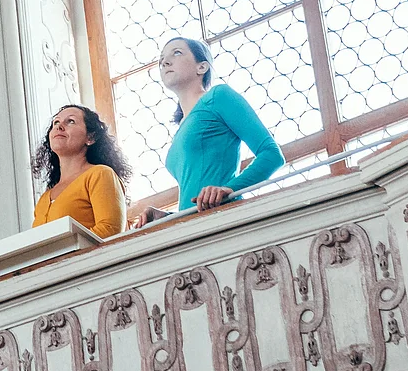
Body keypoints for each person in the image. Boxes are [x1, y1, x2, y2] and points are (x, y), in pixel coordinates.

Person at [129, 36, 283, 223]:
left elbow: (272, 155)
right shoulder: (181, 131)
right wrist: (167, 217)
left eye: (176, 53)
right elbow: (195, 201)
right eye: (161, 59)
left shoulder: (218, 97)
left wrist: (230, 189)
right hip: (192, 230)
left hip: (224, 220)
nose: (165, 62)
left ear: (202, 67)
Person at [31, 104, 127, 237]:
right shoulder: (44, 199)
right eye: (56, 122)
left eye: (70, 121)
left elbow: (110, 230)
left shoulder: (100, 174)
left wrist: (65, 250)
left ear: (90, 137)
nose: (59, 126)